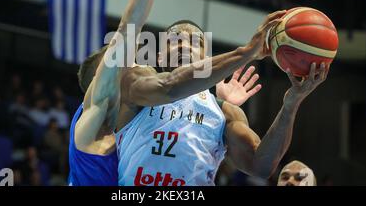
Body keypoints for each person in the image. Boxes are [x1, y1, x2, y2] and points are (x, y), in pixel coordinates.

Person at [68, 0, 219, 186]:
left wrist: (217, 103)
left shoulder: (121, 123)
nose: (138, 67)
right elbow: (128, 29)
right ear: (101, 80)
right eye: (127, 65)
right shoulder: (95, 116)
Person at [115, 18, 329, 185]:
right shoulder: (138, 86)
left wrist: (290, 106)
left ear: (207, 58)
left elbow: (261, 166)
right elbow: (169, 86)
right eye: (175, 40)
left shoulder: (224, 112)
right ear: (160, 57)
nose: (184, 46)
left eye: (195, 42)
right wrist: (246, 53)